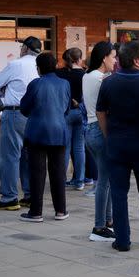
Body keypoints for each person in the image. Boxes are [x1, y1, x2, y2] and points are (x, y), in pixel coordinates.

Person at [97, 40, 139, 251]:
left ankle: (123, 240)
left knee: (118, 192)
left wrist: (108, 133)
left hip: (117, 143)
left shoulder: (109, 82)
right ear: (136, 60)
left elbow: (100, 111)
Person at [18, 52, 70, 222]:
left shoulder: (35, 84)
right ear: (55, 65)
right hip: (59, 131)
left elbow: (24, 108)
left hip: (37, 132)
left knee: (37, 173)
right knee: (58, 173)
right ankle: (61, 210)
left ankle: (36, 212)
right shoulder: (65, 84)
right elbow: (67, 108)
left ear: (38, 68)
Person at [0, 36, 41, 210]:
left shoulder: (16, 64)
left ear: (25, 48)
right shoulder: (39, 66)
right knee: (28, 157)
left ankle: (9, 198)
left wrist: (7, 91)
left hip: (15, 112)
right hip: (35, 115)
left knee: (10, 157)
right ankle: (29, 195)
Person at [82, 41, 116, 241]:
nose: (115, 60)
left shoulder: (88, 75)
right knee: (104, 181)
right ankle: (99, 227)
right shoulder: (100, 78)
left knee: (107, 179)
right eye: (113, 56)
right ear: (104, 57)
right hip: (100, 130)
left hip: (91, 130)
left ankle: (108, 220)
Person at [56, 48, 87, 191]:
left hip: (65, 113)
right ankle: (79, 181)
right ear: (79, 59)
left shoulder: (60, 74)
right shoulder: (84, 74)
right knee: (79, 147)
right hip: (80, 112)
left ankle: (61, 180)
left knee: (65, 147)